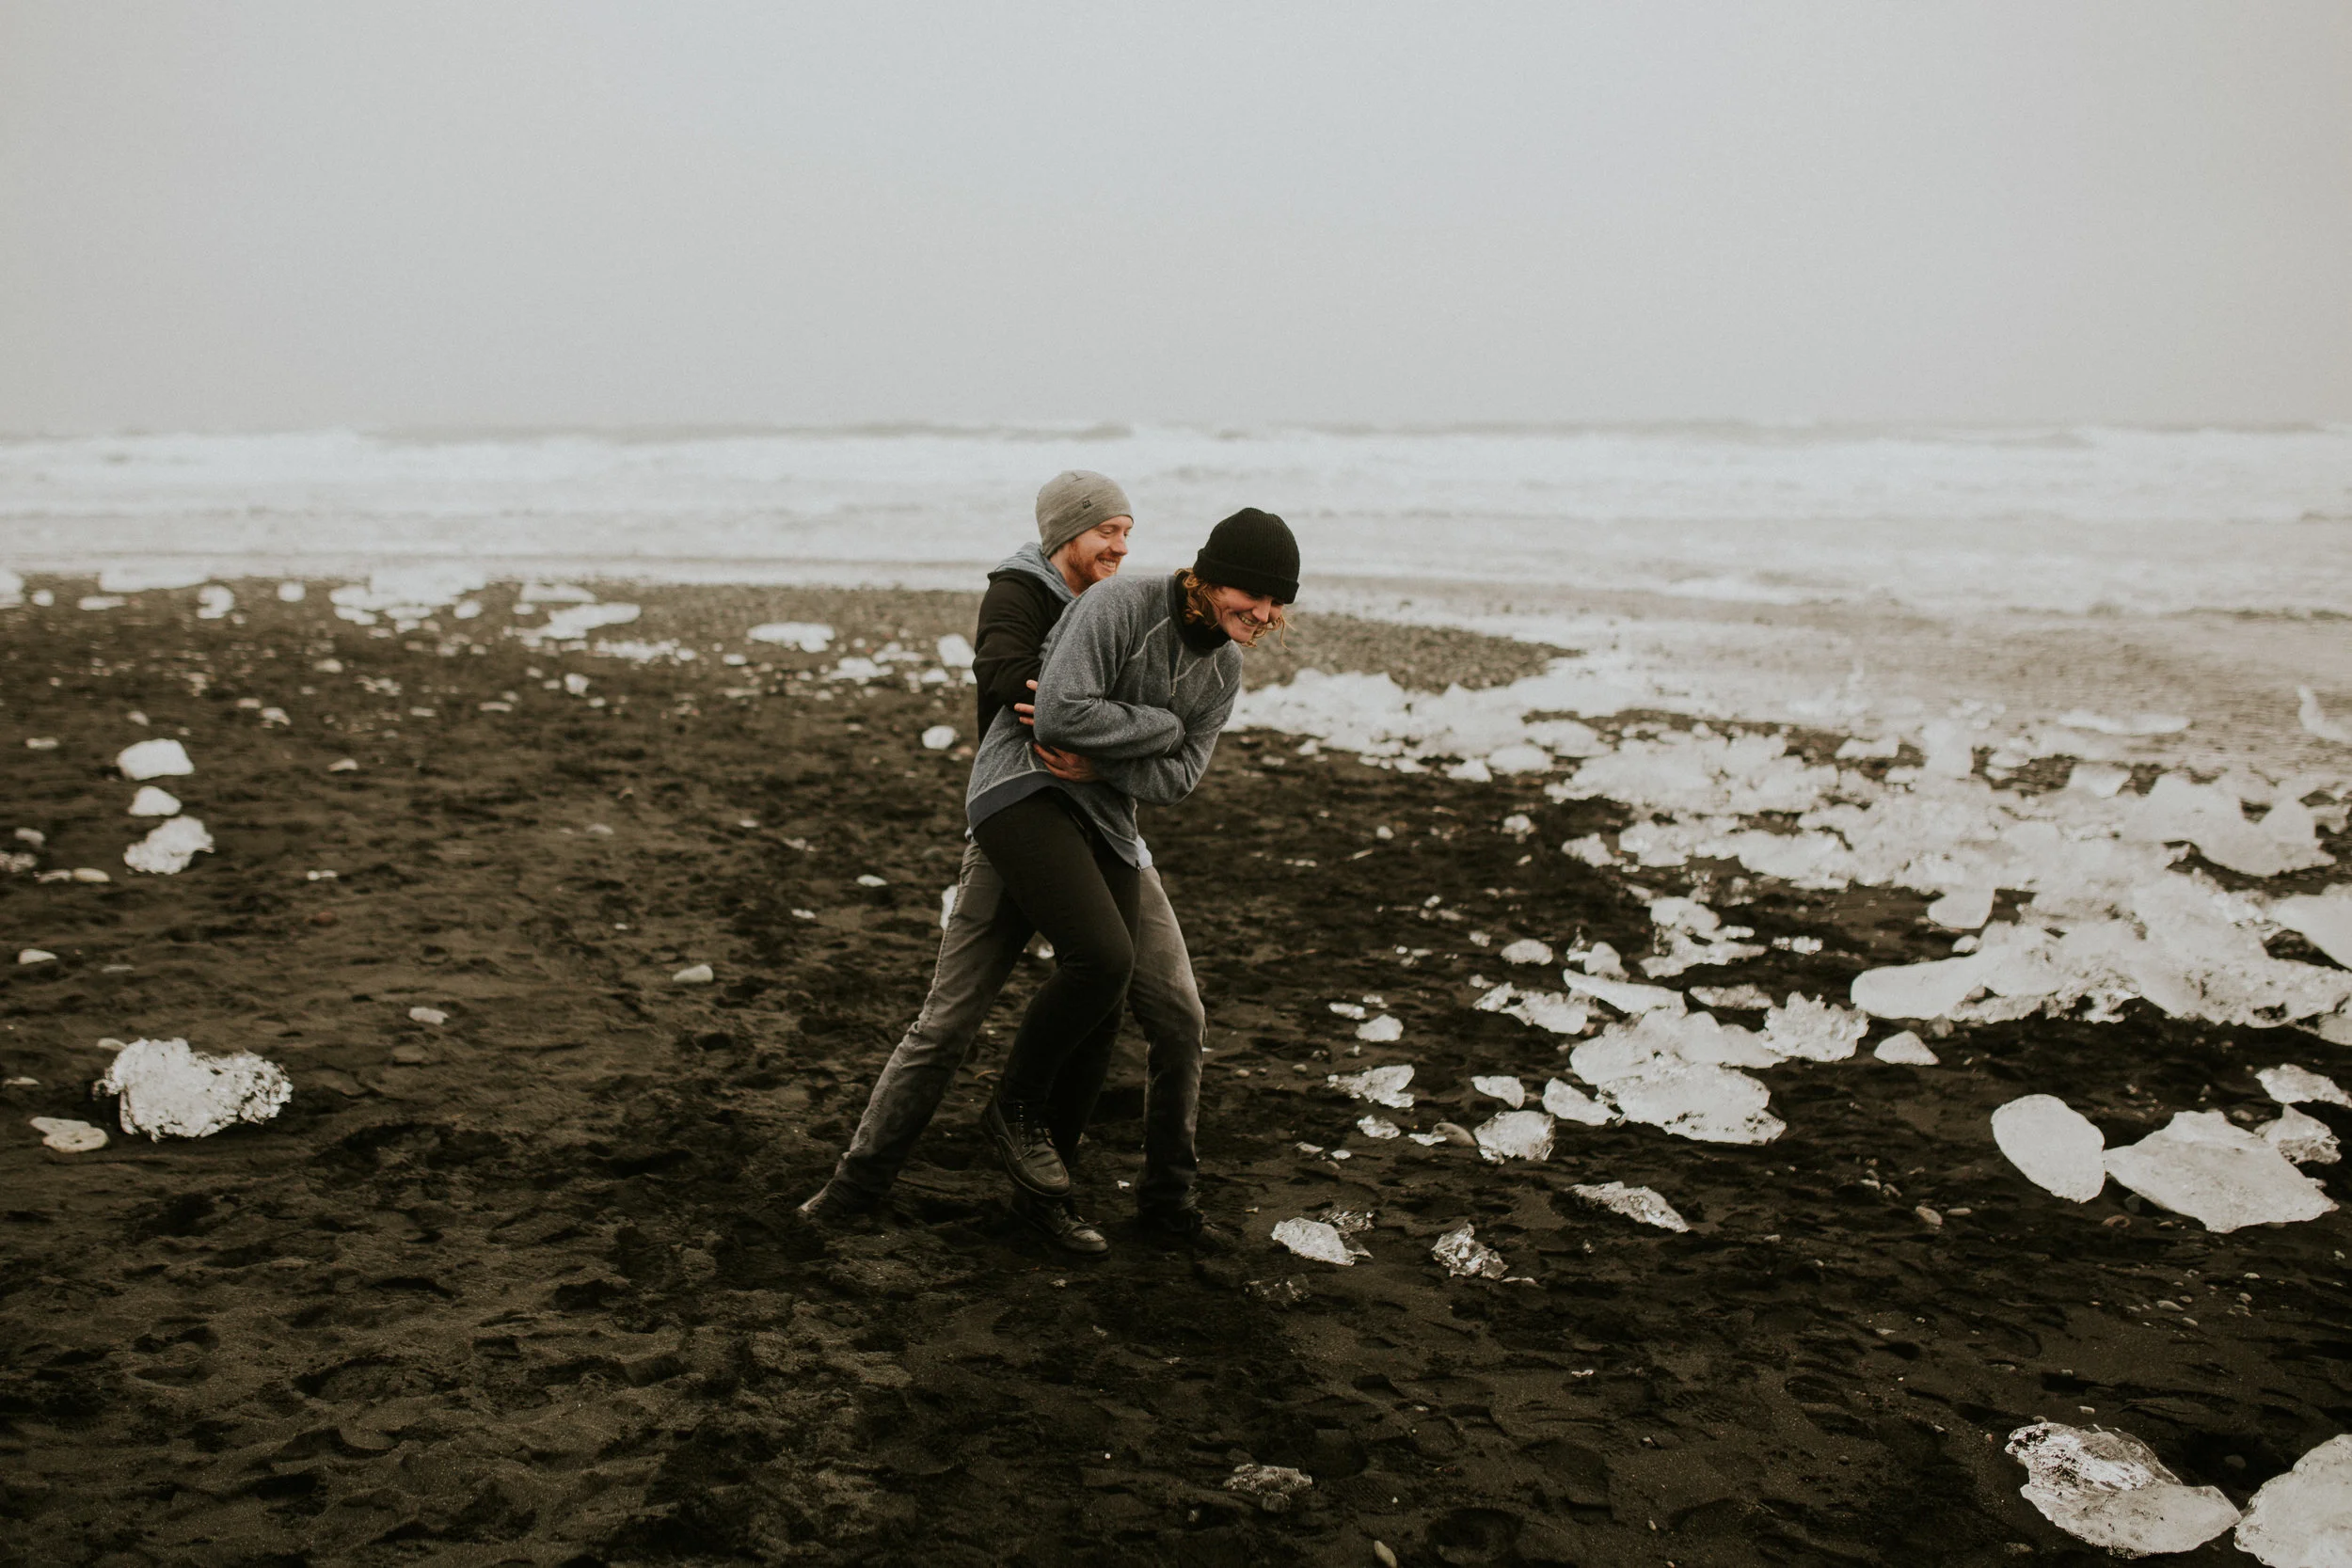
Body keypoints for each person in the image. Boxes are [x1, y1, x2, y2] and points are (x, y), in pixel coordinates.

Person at [796, 472, 1228, 1254]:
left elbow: (1159, 750)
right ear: (1066, 532)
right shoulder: (1020, 592)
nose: (1120, 546)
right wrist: (1098, 710)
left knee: (1170, 1010)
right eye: (1106, 530)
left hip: (1108, 824)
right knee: (949, 1019)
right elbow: (1019, 689)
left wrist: (1113, 730)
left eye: (1128, 531)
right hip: (1022, 812)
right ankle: (857, 1183)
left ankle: (1143, 1199)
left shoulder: (1135, 613)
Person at [966, 507, 1298, 1254]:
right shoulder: (1120, 604)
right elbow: (1057, 713)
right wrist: (1160, 727)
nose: (1266, 613)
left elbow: (1180, 779)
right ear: (1211, 577)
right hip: (1025, 787)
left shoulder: (1224, 669)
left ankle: (1046, 1199)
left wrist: (1105, 762)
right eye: (1254, 594)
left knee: (1114, 1002)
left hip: (1108, 814)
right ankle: (1013, 1107)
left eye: (1279, 602)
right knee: (1102, 958)